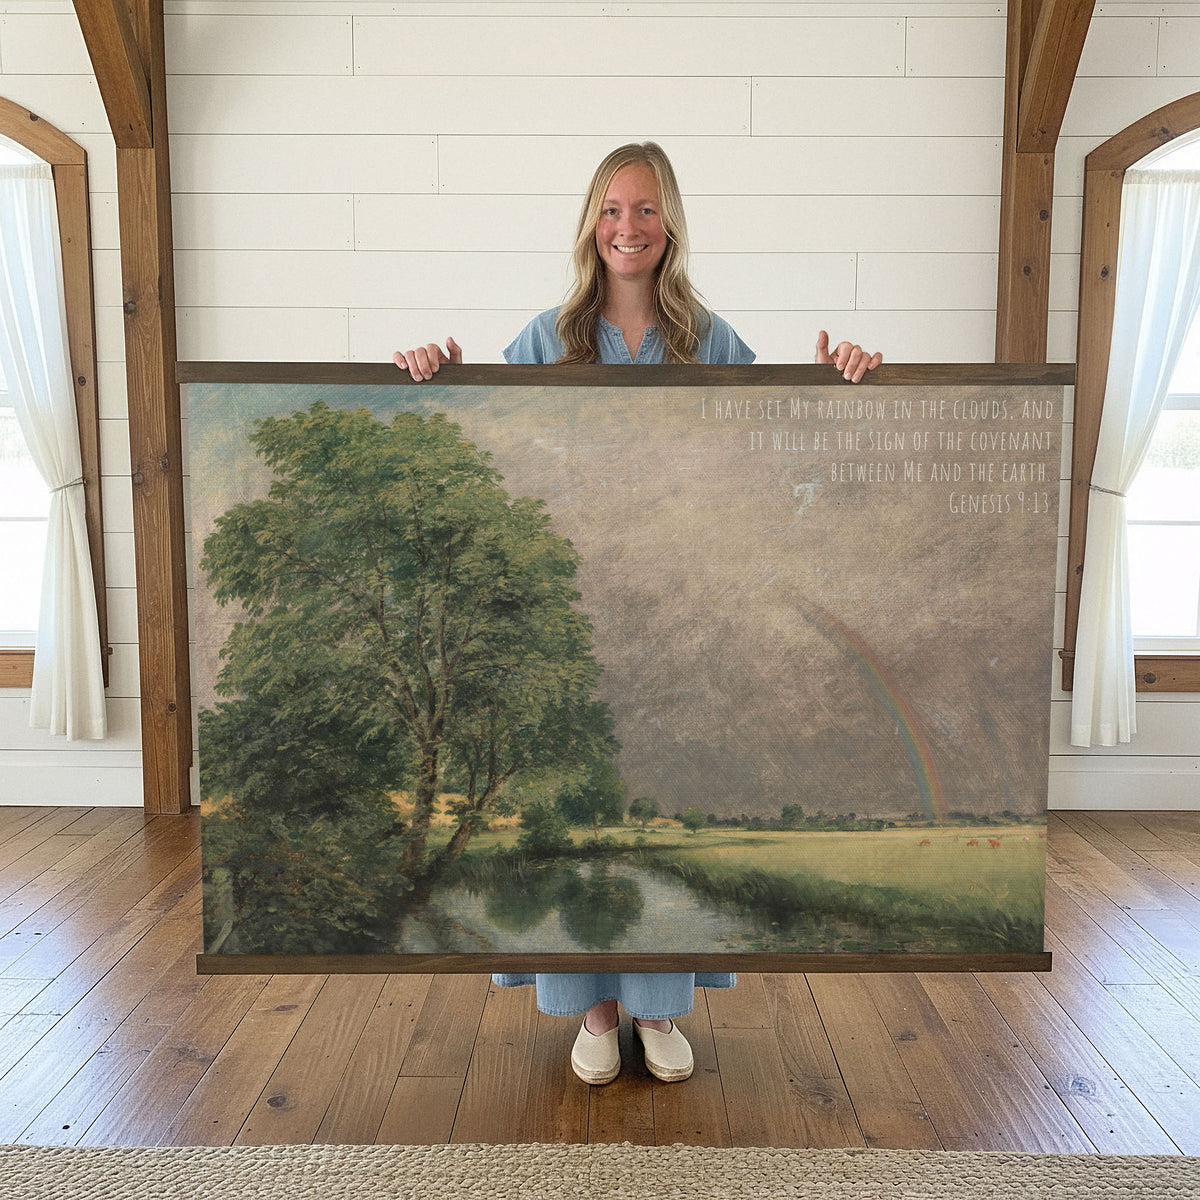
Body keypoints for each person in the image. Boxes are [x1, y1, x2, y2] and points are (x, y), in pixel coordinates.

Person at [395, 141, 881, 1087]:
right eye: (613, 209)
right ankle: (598, 1006)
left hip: (678, 617)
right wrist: (436, 377)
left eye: (648, 210)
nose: (629, 227)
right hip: (565, 615)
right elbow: (493, 465)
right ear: (590, 221)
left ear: (671, 224)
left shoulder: (716, 342)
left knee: (659, 804)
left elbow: (773, 473)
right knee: (572, 806)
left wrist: (844, 383)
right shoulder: (541, 340)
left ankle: (658, 1009)